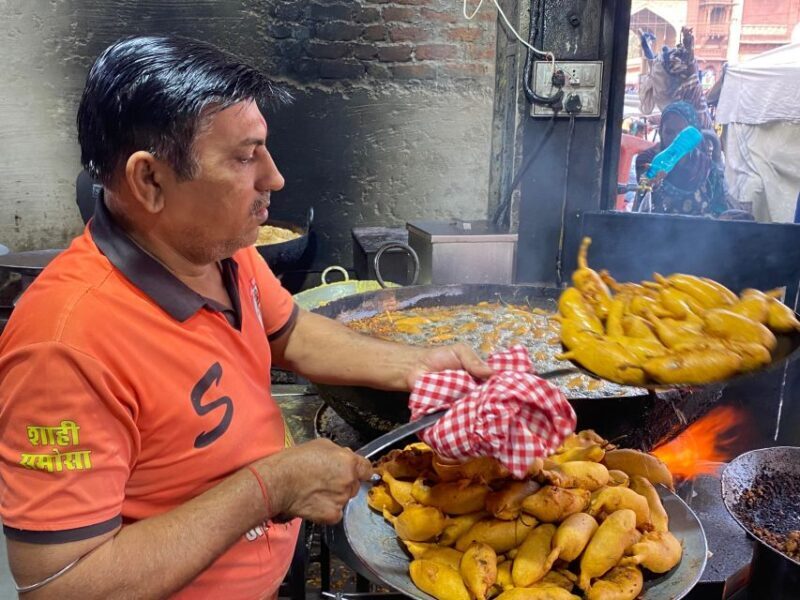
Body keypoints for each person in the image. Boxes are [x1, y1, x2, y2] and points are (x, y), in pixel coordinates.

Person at [0, 36, 493, 599]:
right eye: (244, 156)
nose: (274, 178)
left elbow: (293, 333)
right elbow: (62, 587)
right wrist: (270, 487)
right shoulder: (64, 344)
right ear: (150, 180)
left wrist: (420, 365)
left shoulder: (221, 249)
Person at [635, 101, 734, 216]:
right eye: (669, 132)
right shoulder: (648, 160)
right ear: (661, 132)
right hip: (655, 231)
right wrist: (652, 182)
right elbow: (643, 188)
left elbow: (720, 210)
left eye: (682, 134)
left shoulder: (707, 168)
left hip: (699, 232)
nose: (675, 139)